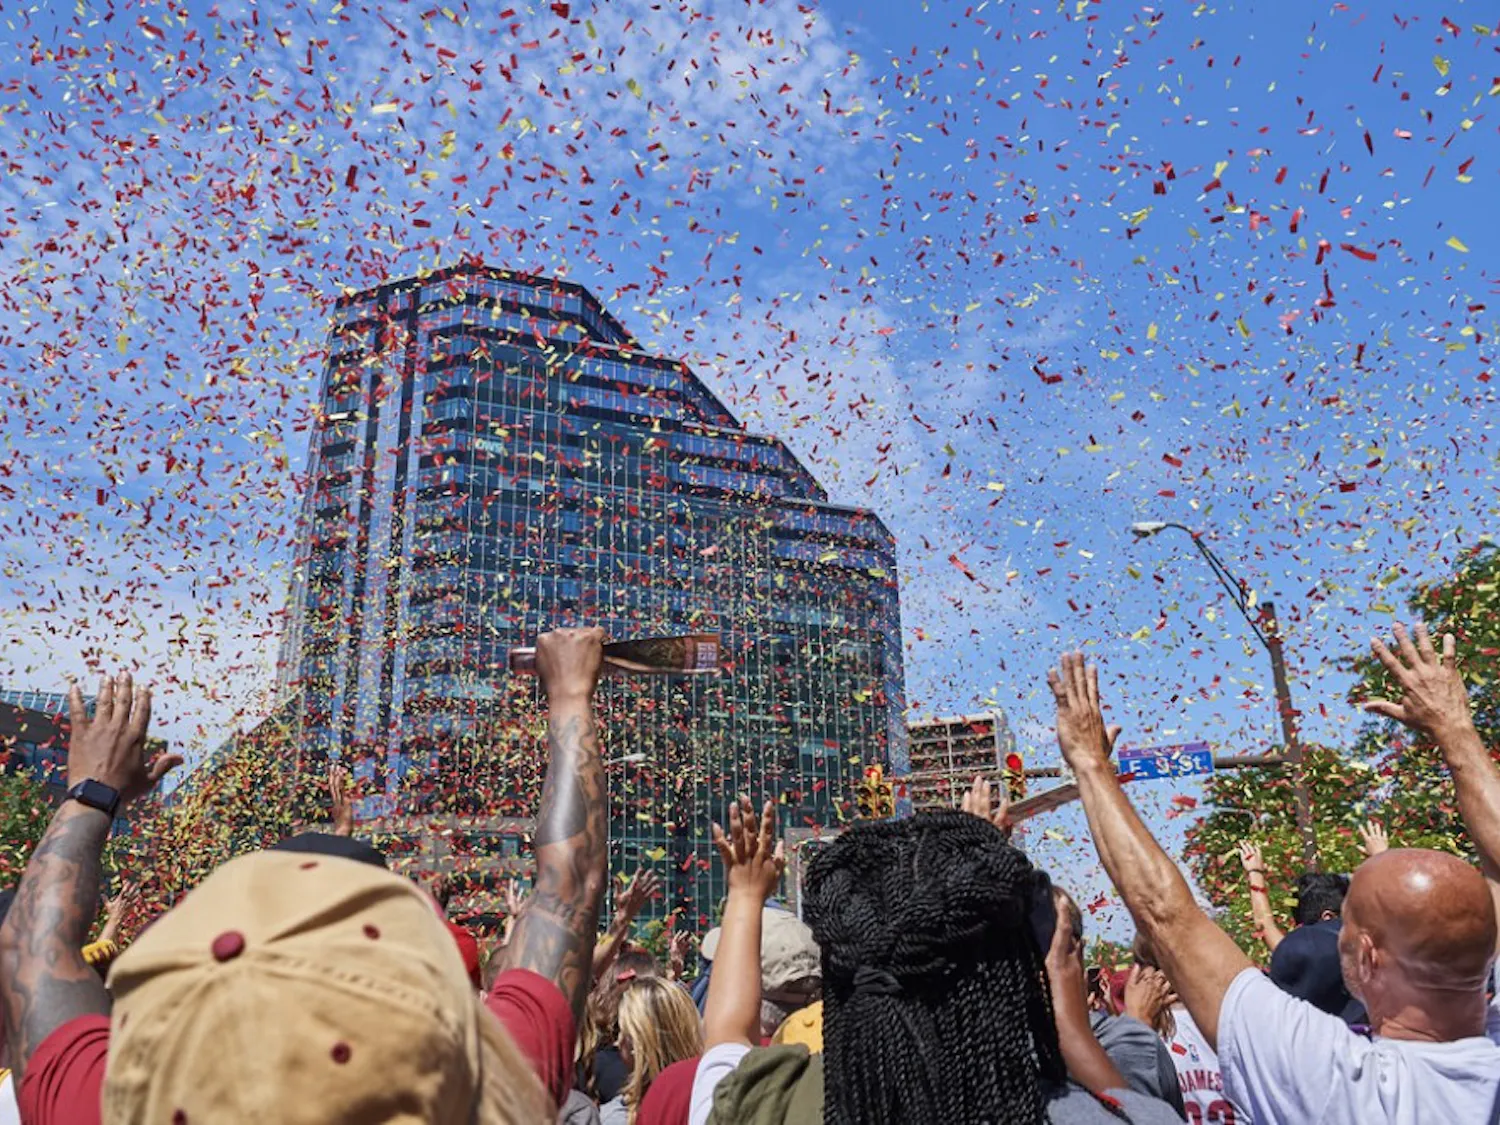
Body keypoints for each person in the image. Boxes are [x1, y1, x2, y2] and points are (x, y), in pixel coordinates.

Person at [0, 627, 610, 1123]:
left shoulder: (118, 1105)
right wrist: (571, 697)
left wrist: (92, 791)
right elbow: (568, 887)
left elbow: (33, 949)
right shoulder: (492, 1088)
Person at [1050, 627, 1500, 1124]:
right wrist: (1455, 726)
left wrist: (1090, 764)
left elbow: (1166, 914)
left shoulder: (1334, 1081)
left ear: (1368, 957)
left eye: (1346, 922)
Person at [691, 796, 1183, 1124]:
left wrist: (745, 894)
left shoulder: (767, 1104)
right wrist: (1070, 1025)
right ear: (1019, 975)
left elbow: (726, 1037)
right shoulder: (1113, 1116)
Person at [600, 976, 703, 1124]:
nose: (618, 1042)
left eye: (621, 1031)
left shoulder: (615, 1117)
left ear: (636, 1046)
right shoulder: (713, 1096)